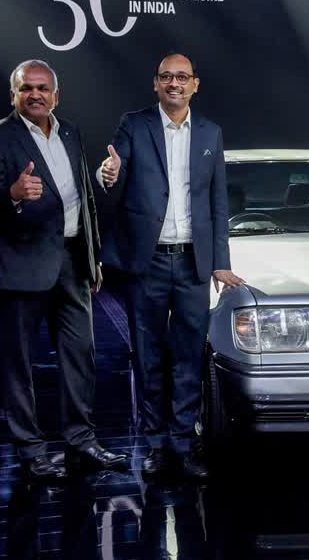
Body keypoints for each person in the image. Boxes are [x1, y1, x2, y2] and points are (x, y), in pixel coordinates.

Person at [0, 59, 128, 479]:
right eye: (27, 89)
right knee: (19, 362)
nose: (36, 95)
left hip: (73, 261)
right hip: (22, 262)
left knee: (80, 355)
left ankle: (81, 441)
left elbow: (81, 199)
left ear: (56, 95)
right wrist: (13, 193)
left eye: (43, 88)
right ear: (14, 95)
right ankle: (30, 449)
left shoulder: (71, 132)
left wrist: (92, 253)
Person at [97, 52, 244, 479]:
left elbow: (217, 203)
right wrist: (109, 172)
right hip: (149, 262)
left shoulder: (211, 133)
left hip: (194, 264)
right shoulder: (134, 124)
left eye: (182, 77)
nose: (174, 83)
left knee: (187, 356)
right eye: (166, 77)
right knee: (148, 357)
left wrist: (220, 262)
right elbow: (114, 174)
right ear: (156, 84)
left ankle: (183, 441)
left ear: (195, 84)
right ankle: (156, 444)